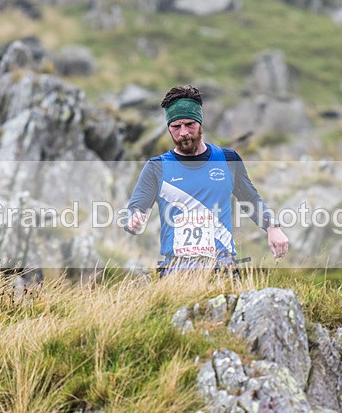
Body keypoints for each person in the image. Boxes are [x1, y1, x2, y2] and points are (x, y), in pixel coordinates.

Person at [124, 85, 290, 274]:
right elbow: (134, 211)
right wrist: (134, 221)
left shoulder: (228, 160)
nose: (183, 132)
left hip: (222, 268)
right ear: (169, 129)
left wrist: (272, 227)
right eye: (176, 127)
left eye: (189, 125)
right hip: (176, 271)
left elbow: (251, 200)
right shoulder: (156, 167)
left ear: (201, 123)